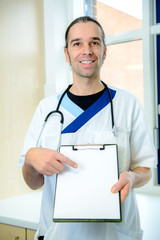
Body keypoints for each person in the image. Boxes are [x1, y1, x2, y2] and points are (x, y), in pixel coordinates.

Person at [19, 16, 156, 240]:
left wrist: (132, 178)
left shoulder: (128, 104)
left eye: (94, 42)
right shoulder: (47, 109)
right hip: (60, 234)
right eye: (77, 43)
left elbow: (145, 169)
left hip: (115, 234)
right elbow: (33, 183)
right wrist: (30, 159)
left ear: (104, 51)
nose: (87, 50)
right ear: (66, 54)